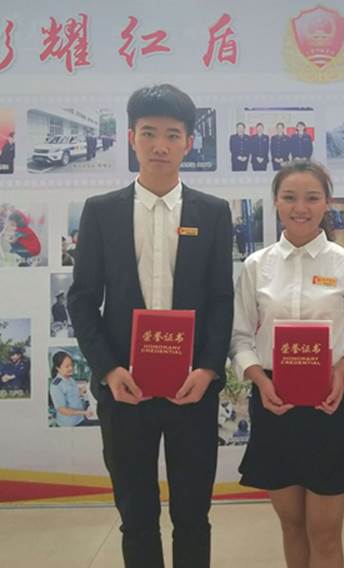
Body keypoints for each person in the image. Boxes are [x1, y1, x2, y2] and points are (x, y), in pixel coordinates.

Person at [67, 84, 233, 568]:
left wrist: (208, 369)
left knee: (193, 516)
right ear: (131, 138)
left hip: (192, 390)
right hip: (125, 390)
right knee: (136, 516)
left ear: (189, 143)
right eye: (149, 133)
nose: (160, 145)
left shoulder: (213, 212)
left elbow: (221, 300)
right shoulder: (101, 211)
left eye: (172, 135)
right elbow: (82, 299)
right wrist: (108, 369)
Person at [230, 160, 344, 568]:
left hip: (327, 404)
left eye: (312, 198)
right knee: (292, 526)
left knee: (326, 533)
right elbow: (240, 338)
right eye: (290, 197)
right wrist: (259, 380)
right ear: (276, 203)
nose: (301, 207)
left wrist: (342, 370)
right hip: (273, 403)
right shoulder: (256, 266)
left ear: (326, 204)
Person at [49, 351, 97, 427]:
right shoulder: (56, 385)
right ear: (58, 368)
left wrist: (83, 390)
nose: (71, 368)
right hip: (69, 424)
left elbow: (72, 394)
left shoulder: (70, 379)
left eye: (71, 365)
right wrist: (84, 412)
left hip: (80, 419)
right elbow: (62, 410)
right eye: (67, 366)